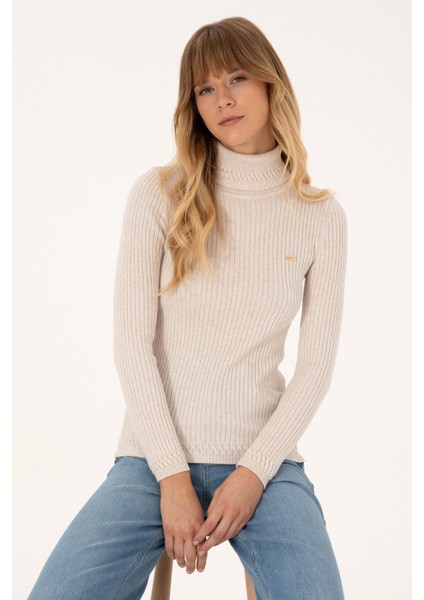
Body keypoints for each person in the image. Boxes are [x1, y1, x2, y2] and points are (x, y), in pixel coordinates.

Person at [28, 16, 348, 600]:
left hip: (266, 466)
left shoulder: (320, 217)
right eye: (205, 88)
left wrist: (252, 475)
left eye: (237, 78)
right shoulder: (159, 195)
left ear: (271, 82)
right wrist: (172, 477)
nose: (222, 99)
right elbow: (132, 346)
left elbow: (316, 370)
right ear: (192, 104)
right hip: (151, 462)